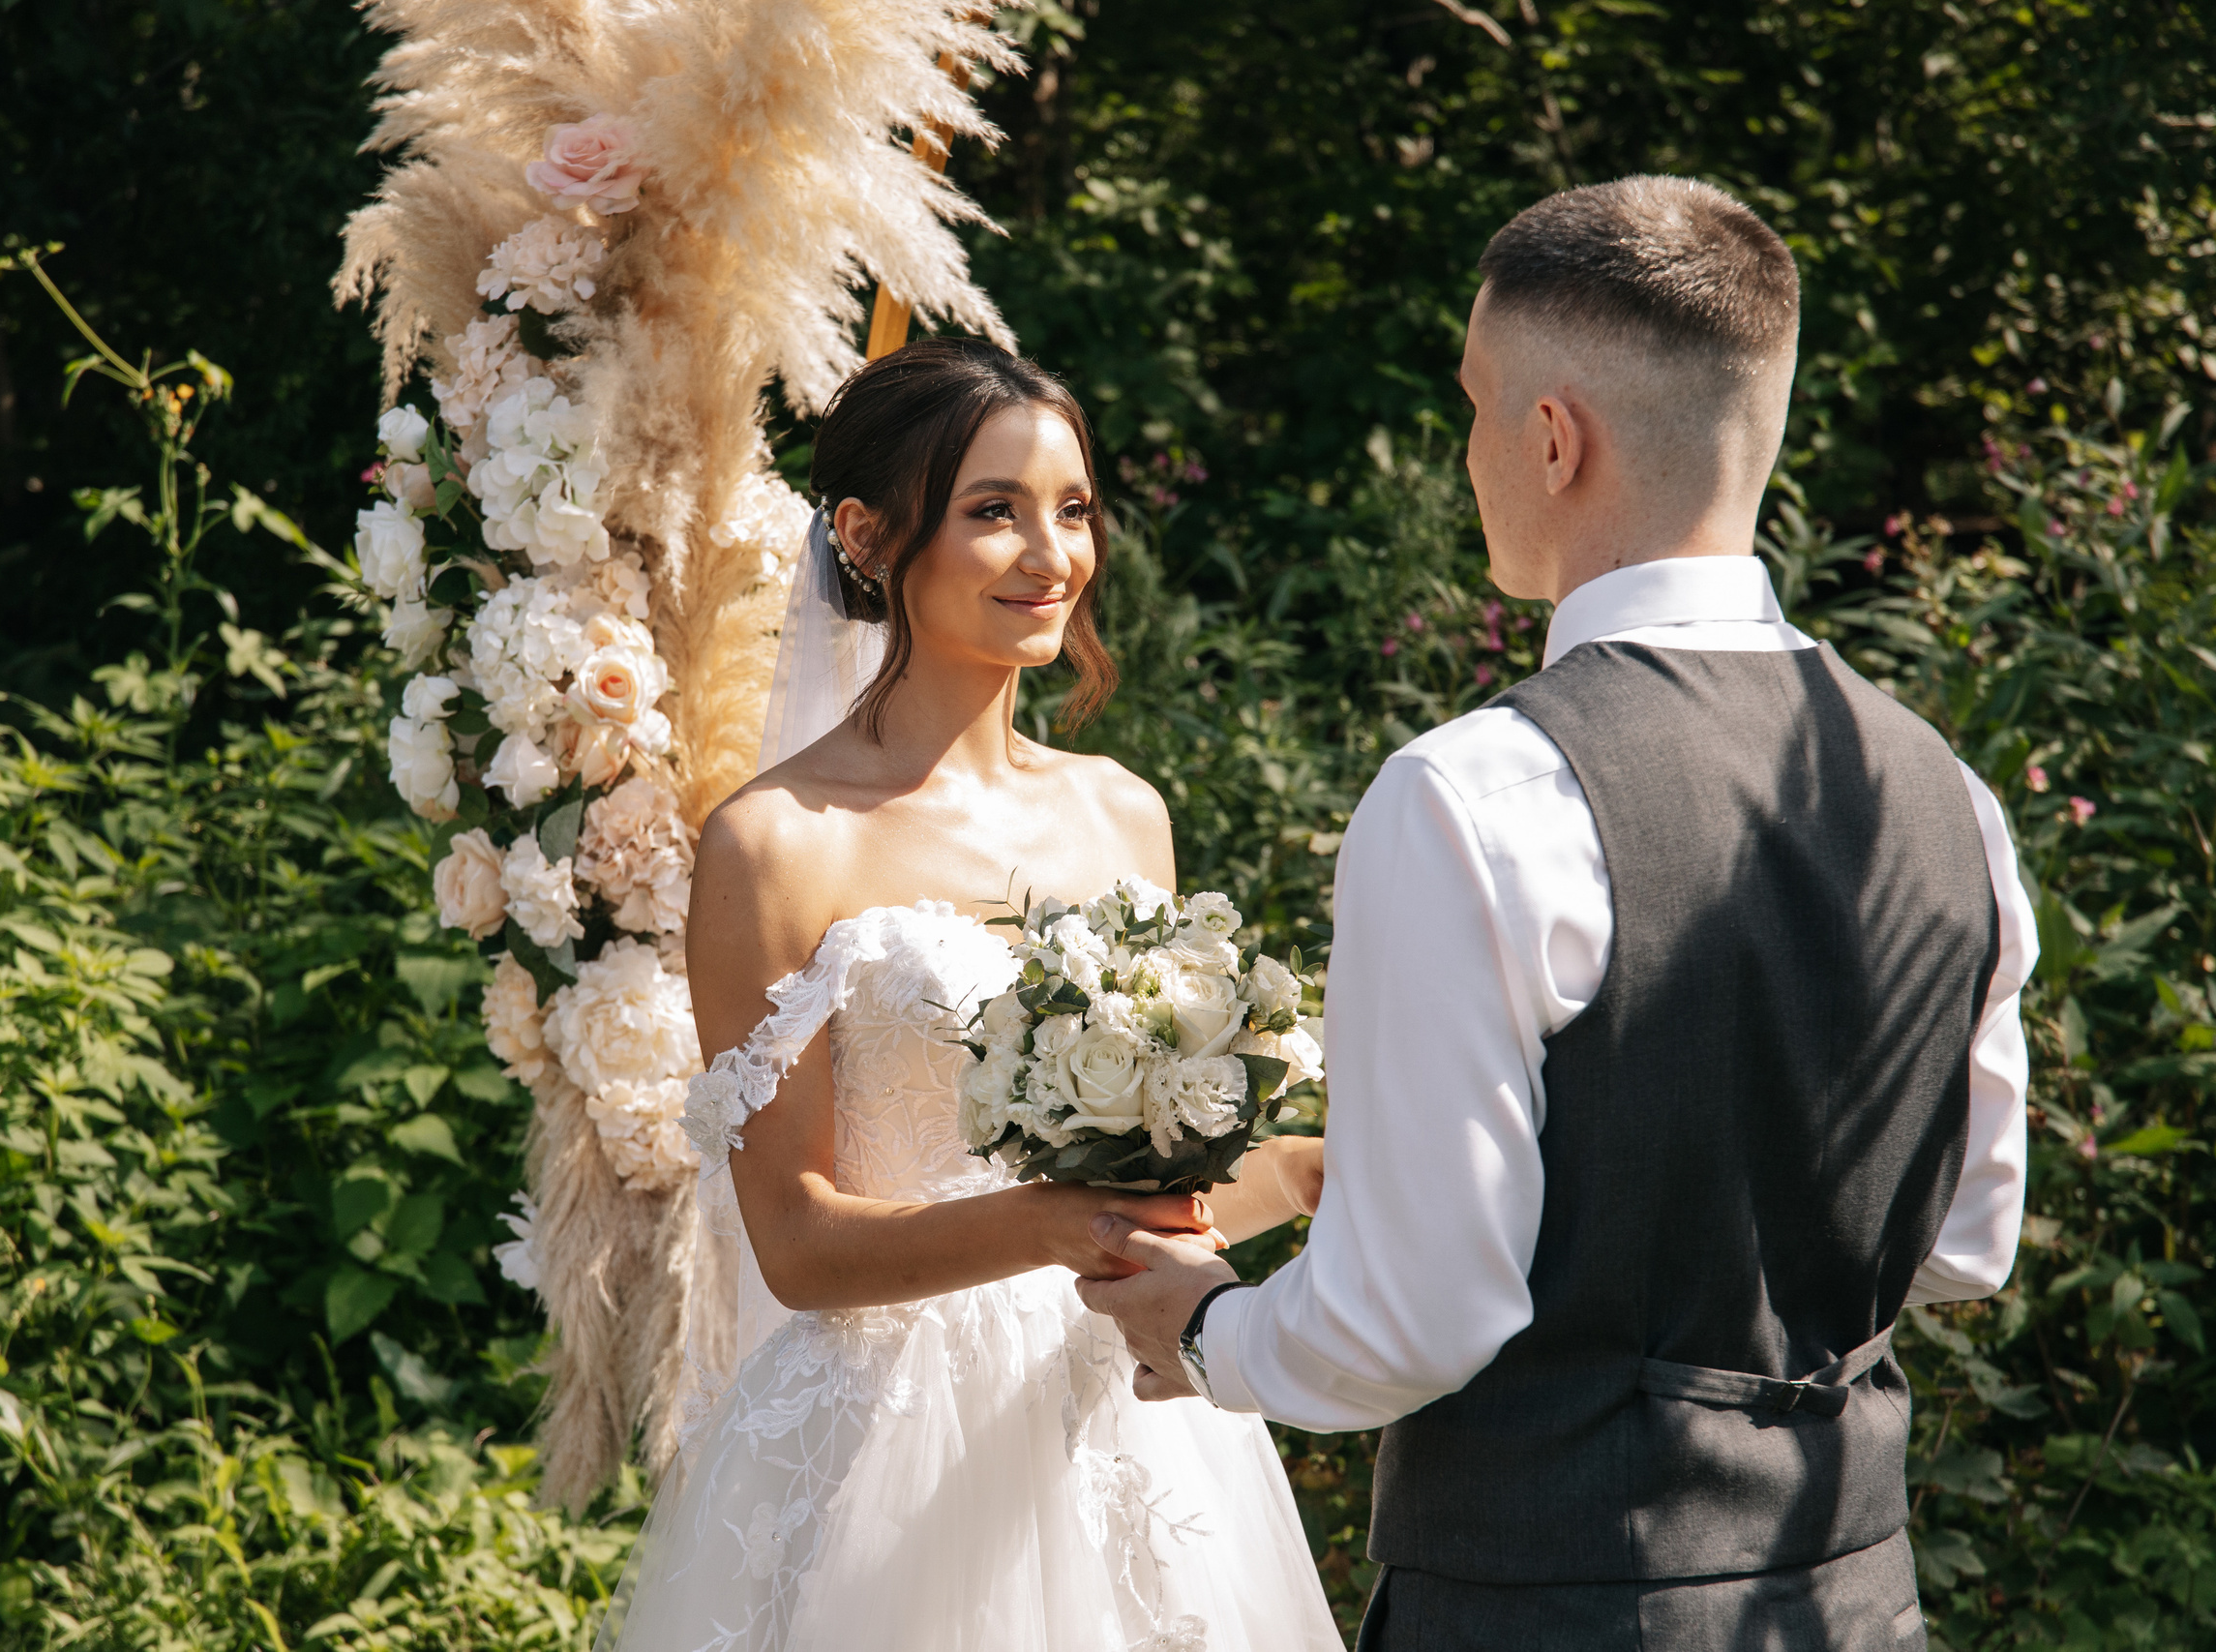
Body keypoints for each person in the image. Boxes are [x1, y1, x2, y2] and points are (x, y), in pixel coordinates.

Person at [1080, 175, 2040, 1651]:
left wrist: (1207, 1326)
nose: (1468, 452)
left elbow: (1411, 1318)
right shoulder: (1946, 793)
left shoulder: (1473, 797)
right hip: (1853, 1599)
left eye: (1473, 408)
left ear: (1550, 436)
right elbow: (1967, 1243)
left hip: (1556, 1604)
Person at [592, 339, 1340, 1652]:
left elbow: (1146, 1203)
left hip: (1121, 1410)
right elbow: (797, 1246)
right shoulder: (775, 844)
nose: (1053, 556)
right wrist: (1054, 1224)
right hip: (883, 1458)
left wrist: (1303, 1173)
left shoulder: (1123, 815)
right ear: (868, 535)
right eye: (995, 511)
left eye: (1074, 509)